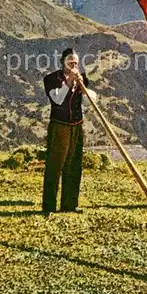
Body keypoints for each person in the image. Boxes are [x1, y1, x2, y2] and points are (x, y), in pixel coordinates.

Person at [42, 48, 96, 214]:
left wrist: (82, 86)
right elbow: (57, 99)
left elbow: (91, 99)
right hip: (60, 126)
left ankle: (69, 205)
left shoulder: (82, 78)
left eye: (76, 63)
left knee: (74, 165)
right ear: (63, 63)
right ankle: (49, 206)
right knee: (55, 166)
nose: (73, 66)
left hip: (76, 126)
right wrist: (68, 82)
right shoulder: (51, 79)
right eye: (70, 63)